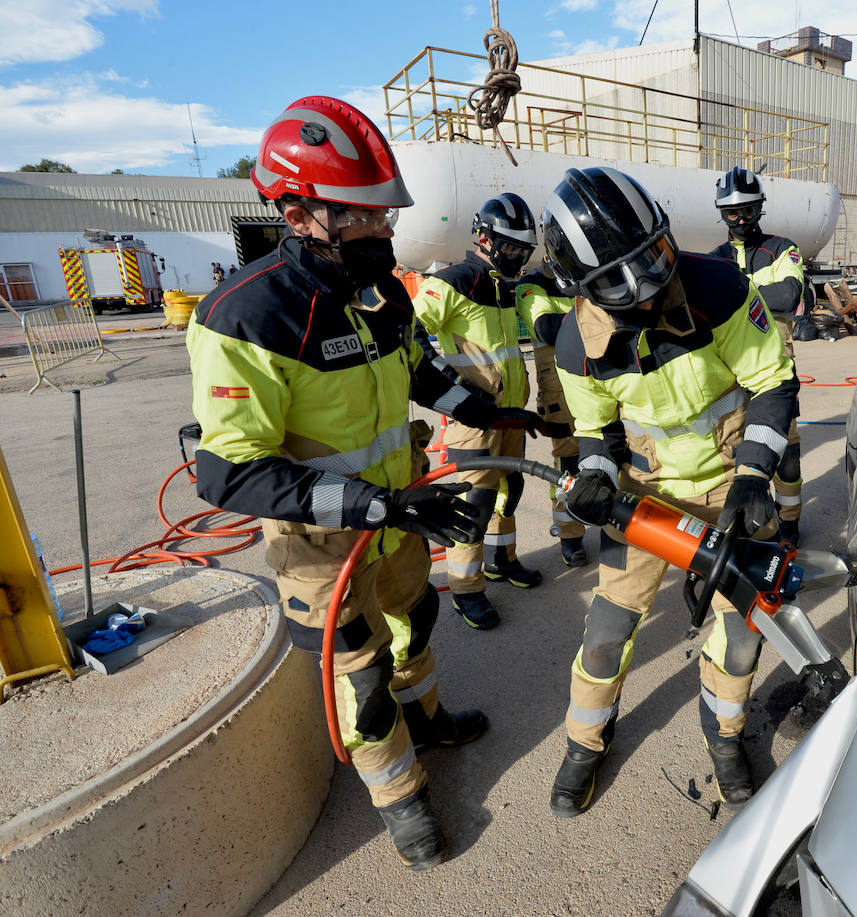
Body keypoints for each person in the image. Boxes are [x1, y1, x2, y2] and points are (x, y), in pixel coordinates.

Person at [186, 96, 540, 872]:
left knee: (416, 617)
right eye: (366, 217)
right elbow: (231, 471)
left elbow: (424, 372)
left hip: (399, 517)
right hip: (324, 546)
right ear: (300, 211)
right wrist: (380, 503)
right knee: (364, 676)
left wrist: (493, 410)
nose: (386, 231)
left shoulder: (384, 294)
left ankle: (433, 718)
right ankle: (401, 798)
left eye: (385, 214)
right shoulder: (247, 317)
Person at [541, 167, 799, 816]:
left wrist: (754, 473)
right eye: (621, 282)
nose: (650, 291)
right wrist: (597, 478)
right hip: (646, 497)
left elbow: (773, 379)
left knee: (741, 634)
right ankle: (583, 743)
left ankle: (726, 737)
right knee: (606, 631)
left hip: (729, 485)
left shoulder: (721, 288)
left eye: (653, 259)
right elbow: (595, 433)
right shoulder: (578, 344)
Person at [413, 194, 547, 630]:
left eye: (523, 251)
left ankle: (501, 560)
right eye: (510, 249)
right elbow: (411, 336)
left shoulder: (505, 287)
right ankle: (466, 589)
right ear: (484, 238)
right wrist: (455, 393)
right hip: (473, 420)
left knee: (510, 491)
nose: (517, 258)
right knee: (474, 505)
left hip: (508, 415)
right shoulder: (453, 282)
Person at [708, 166, 806, 546]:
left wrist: (734, 294)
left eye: (749, 210)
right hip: (728, 374)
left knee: (787, 454)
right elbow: (771, 295)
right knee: (736, 448)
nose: (742, 219)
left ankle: (791, 519)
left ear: (759, 208)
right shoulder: (714, 259)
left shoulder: (782, 249)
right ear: (722, 213)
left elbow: (788, 297)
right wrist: (761, 288)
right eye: (734, 212)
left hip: (776, 372)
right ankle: (748, 519)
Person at [515, 258, 591, 567]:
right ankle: (570, 537)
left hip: (595, 385)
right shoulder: (532, 285)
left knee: (614, 457)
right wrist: (600, 311)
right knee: (567, 466)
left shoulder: (585, 278)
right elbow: (546, 328)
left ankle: (617, 527)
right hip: (560, 397)